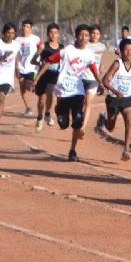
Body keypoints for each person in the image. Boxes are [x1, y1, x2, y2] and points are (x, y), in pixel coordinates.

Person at [33, 24, 100, 162]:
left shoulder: (89, 54)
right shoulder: (67, 51)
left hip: (78, 91)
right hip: (63, 91)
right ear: (76, 36)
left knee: (78, 119)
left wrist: (100, 83)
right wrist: (37, 78)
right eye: (81, 35)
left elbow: (94, 70)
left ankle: (72, 150)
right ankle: (58, 110)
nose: (83, 38)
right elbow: (48, 61)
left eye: (86, 35)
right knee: (64, 124)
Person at [99, 38, 131, 161]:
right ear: (121, 51)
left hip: (127, 99)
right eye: (126, 50)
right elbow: (105, 80)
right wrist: (115, 91)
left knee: (129, 120)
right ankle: (103, 119)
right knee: (110, 127)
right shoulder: (117, 64)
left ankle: (126, 150)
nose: (129, 52)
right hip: (113, 99)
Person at [32, 23, 63, 130]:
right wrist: (38, 53)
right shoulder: (43, 46)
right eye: (51, 33)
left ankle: (48, 113)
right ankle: (40, 116)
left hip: (55, 75)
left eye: (55, 33)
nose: (53, 35)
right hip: (42, 74)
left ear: (58, 34)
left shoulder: (62, 48)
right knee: (41, 99)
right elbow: (33, 61)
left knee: (50, 92)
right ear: (47, 34)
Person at [80, 24, 107, 139]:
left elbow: (100, 61)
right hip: (81, 77)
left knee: (88, 103)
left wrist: (100, 70)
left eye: (97, 34)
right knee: (80, 103)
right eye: (93, 33)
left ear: (100, 35)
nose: (94, 35)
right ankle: (78, 118)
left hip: (93, 79)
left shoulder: (102, 46)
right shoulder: (85, 45)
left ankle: (83, 127)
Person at [15, 19, 42, 117]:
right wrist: (16, 67)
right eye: (23, 26)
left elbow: (42, 47)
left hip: (32, 68)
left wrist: (39, 55)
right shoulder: (18, 40)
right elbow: (16, 54)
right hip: (21, 68)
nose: (24, 28)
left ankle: (38, 90)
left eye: (27, 27)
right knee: (22, 89)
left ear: (31, 28)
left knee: (28, 85)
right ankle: (28, 108)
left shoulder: (35, 39)